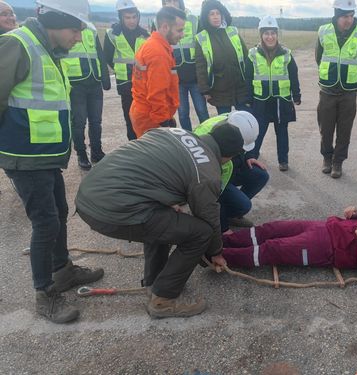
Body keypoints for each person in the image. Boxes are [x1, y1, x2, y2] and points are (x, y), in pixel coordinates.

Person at [0, 0, 104, 324]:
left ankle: (63, 271)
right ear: (58, 22)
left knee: (57, 214)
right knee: (45, 223)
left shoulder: (47, 49)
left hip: (44, 156)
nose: (78, 37)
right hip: (25, 157)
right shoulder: (18, 44)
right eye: (75, 30)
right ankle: (44, 293)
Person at [75, 124, 248, 319]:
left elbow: (155, 166)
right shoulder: (208, 173)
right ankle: (163, 301)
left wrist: (165, 198)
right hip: (111, 210)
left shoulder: (173, 131)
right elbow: (208, 218)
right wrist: (216, 252)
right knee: (201, 233)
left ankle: (155, 282)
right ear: (229, 156)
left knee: (166, 220)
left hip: (89, 193)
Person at [222, 205, 357, 281]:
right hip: (324, 227)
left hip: (327, 248)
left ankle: (221, 256)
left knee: (273, 249)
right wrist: (354, 217)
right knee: (270, 229)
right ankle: (221, 242)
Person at [315, 0, 357, 178]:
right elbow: (318, 57)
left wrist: (353, 80)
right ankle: (327, 159)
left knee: (345, 130)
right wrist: (329, 74)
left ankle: (338, 163)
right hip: (328, 91)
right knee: (326, 129)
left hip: (348, 92)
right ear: (337, 15)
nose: (348, 20)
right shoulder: (323, 31)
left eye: (351, 16)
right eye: (345, 16)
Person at [193, 111, 268, 231]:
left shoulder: (238, 120)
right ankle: (220, 220)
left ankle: (231, 214)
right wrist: (223, 229)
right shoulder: (203, 141)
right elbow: (212, 193)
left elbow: (247, 144)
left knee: (261, 175)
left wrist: (249, 156)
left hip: (229, 168)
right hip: (213, 174)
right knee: (243, 205)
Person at [245, 16, 301, 172]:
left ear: (277, 34)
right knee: (258, 132)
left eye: (273, 33)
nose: (270, 37)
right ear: (261, 35)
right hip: (260, 101)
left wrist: (296, 95)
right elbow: (248, 77)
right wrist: (248, 98)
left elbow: (293, 75)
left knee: (282, 132)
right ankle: (253, 157)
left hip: (280, 101)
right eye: (266, 33)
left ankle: (283, 161)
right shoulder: (253, 55)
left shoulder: (286, 54)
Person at [130, 6, 185, 138]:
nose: (182, 35)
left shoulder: (153, 44)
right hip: (151, 119)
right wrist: (164, 122)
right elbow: (157, 93)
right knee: (156, 157)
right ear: (165, 27)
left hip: (144, 112)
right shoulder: (158, 53)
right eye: (179, 30)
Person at [60, 26, 111, 170]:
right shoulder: (65, 28)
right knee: (79, 122)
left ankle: (96, 151)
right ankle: (81, 154)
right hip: (76, 83)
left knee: (96, 121)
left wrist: (104, 76)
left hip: (94, 82)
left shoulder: (91, 29)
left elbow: (99, 54)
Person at [157, 0, 209, 131]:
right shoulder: (159, 22)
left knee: (202, 111)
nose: (171, 3)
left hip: (194, 76)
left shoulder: (193, 19)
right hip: (176, 78)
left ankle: (208, 138)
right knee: (182, 114)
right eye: (168, 1)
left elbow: (204, 45)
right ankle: (188, 141)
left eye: (174, 1)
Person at [103, 0, 149, 140]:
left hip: (143, 83)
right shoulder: (112, 34)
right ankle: (134, 145)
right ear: (121, 17)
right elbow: (108, 57)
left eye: (134, 17)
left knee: (144, 116)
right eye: (127, 17)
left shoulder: (144, 34)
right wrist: (120, 69)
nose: (132, 21)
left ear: (138, 17)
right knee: (130, 117)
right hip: (125, 82)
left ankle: (146, 143)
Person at [195, 0, 250, 115]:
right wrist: (205, 89)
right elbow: (201, 66)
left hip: (240, 85)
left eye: (218, 13)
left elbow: (246, 56)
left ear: (222, 14)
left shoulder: (233, 31)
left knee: (246, 119)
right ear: (206, 17)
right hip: (220, 88)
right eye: (212, 14)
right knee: (226, 123)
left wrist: (250, 80)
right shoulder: (201, 38)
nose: (216, 17)